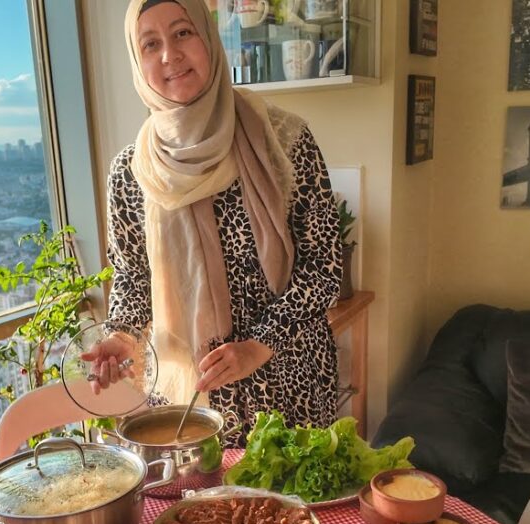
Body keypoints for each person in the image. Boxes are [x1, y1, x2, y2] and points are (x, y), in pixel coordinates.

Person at [86, 0, 342, 438]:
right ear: (137, 60)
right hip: (191, 406)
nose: (170, 55)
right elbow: (133, 278)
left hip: (289, 387)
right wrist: (122, 335)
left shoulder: (284, 141)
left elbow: (325, 267)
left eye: (183, 33)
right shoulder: (131, 173)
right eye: (151, 44)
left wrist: (260, 344)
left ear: (209, 38)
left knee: (293, 506)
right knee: (200, 506)